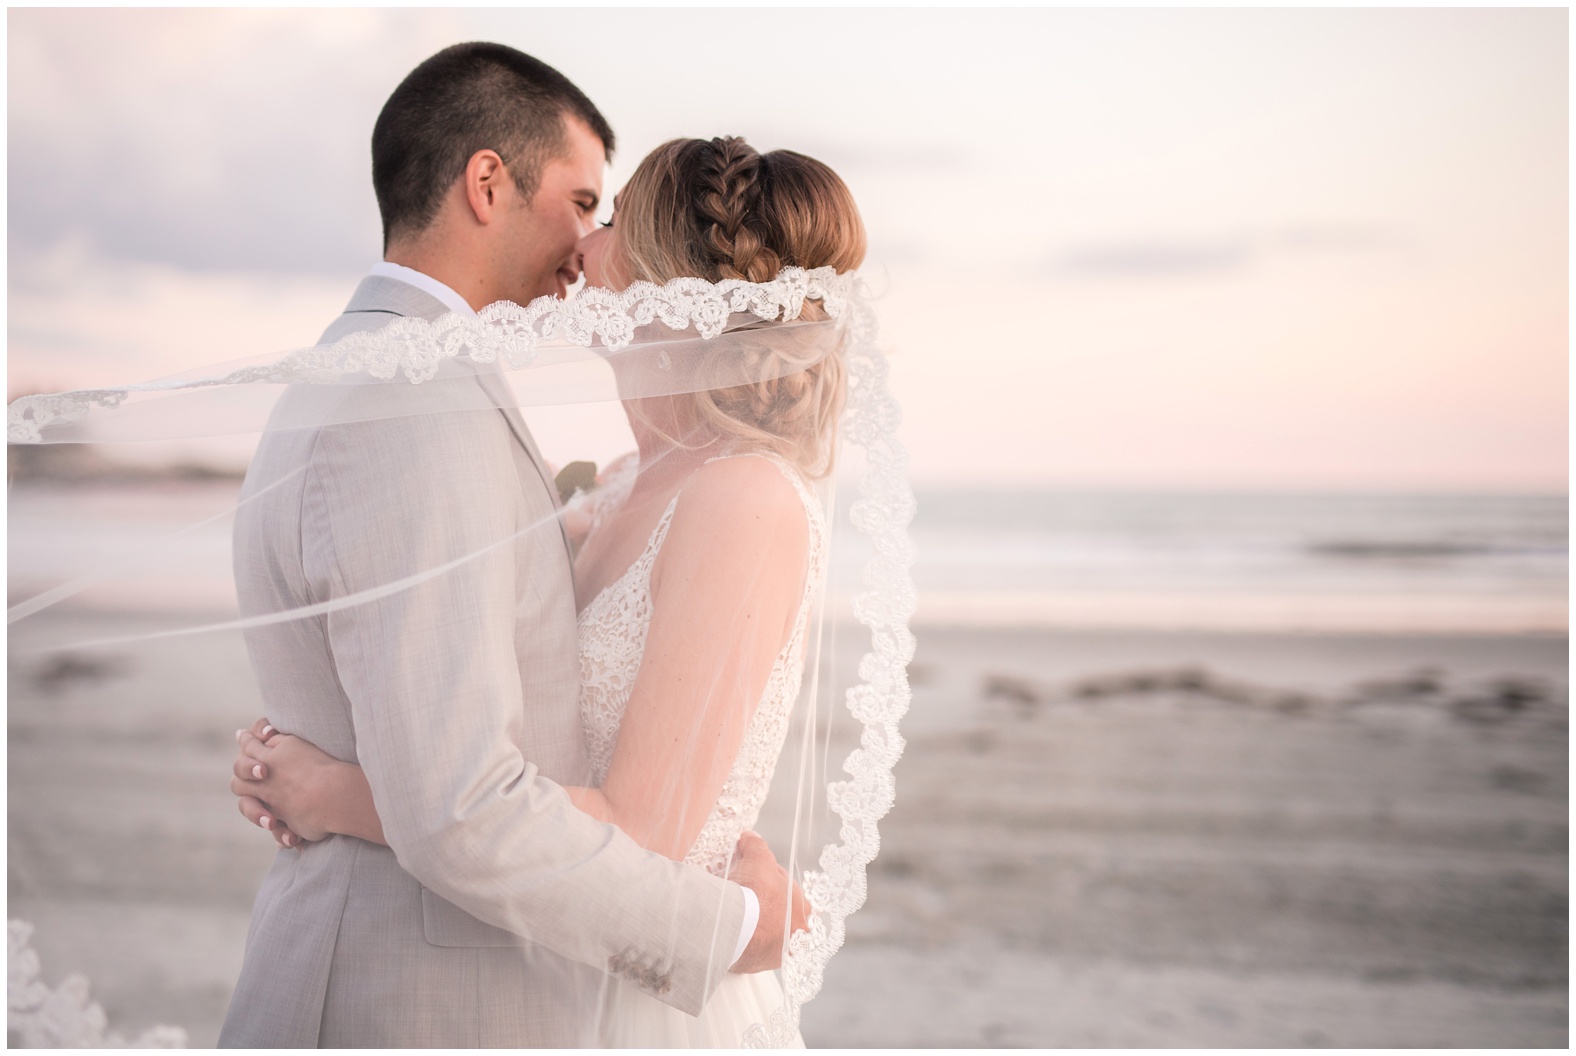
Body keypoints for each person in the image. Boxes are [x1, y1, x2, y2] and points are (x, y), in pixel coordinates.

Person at [214, 44, 808, 1048]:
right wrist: (739, 926)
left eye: (604, 215)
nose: (583, 244)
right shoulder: (415, 406)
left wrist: (329, 786)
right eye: (582, 202)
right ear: (487, 183)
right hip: (405, 995)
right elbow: (455, 806)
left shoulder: (375, 376)